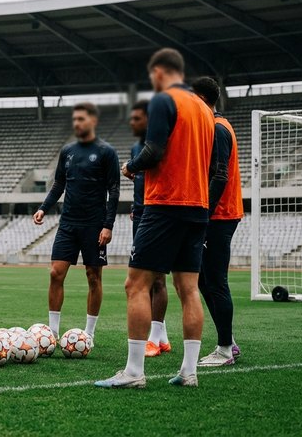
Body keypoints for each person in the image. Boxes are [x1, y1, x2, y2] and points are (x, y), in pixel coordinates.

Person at [96, 48, 216, 389]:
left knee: (136, 284)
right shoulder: (206, 112)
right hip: (197, 207)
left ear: (161, 72)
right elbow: (210, 167)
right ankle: (189, 372)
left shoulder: (164, 100)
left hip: (165, 205)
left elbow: (154, 151)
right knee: (189, 289)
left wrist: (129, 166)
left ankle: (134, 373)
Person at [33, 102, 120, 342]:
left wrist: (108, 225)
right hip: (68, 223)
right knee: (55, 274)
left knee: (93, 276)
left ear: (93, 121)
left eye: (81, 119)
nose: (76, 123)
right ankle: (52, 333)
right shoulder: (67, 151)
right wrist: (43, 208)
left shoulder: (106, 152)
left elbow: (114, 189)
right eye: (75, 119)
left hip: (94, 224)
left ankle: (89, 333)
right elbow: (59, 184)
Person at [191, 76, 244, 367]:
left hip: (219, 216)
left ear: (202, 99)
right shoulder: (213, 126)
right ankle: (229, 341)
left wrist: (203, 213)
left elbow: (220, 175)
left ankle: (225, 348)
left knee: (215, 280)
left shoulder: (218, 129)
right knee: (202, 280)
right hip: (216, 215)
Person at [129, 100, 171, 358]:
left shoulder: (160, 143)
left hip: (157, 215)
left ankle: (154, 338)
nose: (132, 123)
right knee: (148, 278)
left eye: (137, 118)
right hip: (140, 214)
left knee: (156, 278)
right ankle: (162, 337)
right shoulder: (138, 146)